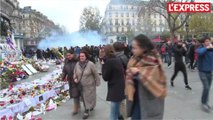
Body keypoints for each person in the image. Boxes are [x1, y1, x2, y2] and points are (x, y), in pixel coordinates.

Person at [126, 34, 167, 120]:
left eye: (135, 48)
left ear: (143, 48)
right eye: (132, 47)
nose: (132, 50)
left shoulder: (153, 58)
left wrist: (138, 72)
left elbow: (156, 76)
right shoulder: (134, 59)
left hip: (149, 102)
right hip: (136, 100)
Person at [73, 51, 101, 119]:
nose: (81, 57)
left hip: (90, 85)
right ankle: (88, 108)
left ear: (86, 57)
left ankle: (86, 111)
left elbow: (95, 74)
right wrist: (75, 78)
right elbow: (75, 72)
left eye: (83, 56)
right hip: (81, 85)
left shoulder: (90, 64)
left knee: (89, 98)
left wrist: (97, 82)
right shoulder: (77, 64)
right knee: (84, 98)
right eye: (80, 56)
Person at [101, 45, 125, 120]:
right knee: (116, 109)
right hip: (120, 86)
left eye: (103, 51)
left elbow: (105, 77)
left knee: (113, 113)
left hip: (115, 88)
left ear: (106, 52)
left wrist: (102, 65)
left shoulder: (109, 61)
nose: (101, 52)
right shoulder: (116, 59)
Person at [196, 37, 213, 112]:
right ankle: (203, 103)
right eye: (206, 41)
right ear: (203, 42)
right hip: (202, 71)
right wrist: (206, 48)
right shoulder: (200, 49)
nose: (208, 42)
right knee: (206, 87)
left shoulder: (211, 50)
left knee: (208, 88)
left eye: (209, 41)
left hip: (209, 71)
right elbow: (200, 53)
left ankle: (206, 102)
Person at [61, 50, 78, 115]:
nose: (68, 56)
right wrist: (62, 77)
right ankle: (77, 106)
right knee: (75, 94)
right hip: (70, 80)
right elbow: (64, 70)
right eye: (67, 55)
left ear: (73, 54)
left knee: (77, 94)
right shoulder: (66, 61)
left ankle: (76, 108)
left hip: (77, 79)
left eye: (69, 55)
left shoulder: (77, 60)